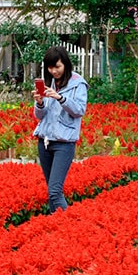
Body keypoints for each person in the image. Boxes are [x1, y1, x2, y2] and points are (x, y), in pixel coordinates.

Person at [32, 46, 89, 213]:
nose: (54, 71)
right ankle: (55, 228)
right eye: (50, 67)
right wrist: (40, 102)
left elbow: (79, 110)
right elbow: (40, 116)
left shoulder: (77, 84)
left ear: (66, 64)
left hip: (64, 143)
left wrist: (60, 98)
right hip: (45, 142)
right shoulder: (48, 83)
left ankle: (70, 226)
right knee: (52, 191)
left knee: (55, 191)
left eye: (57, 67)